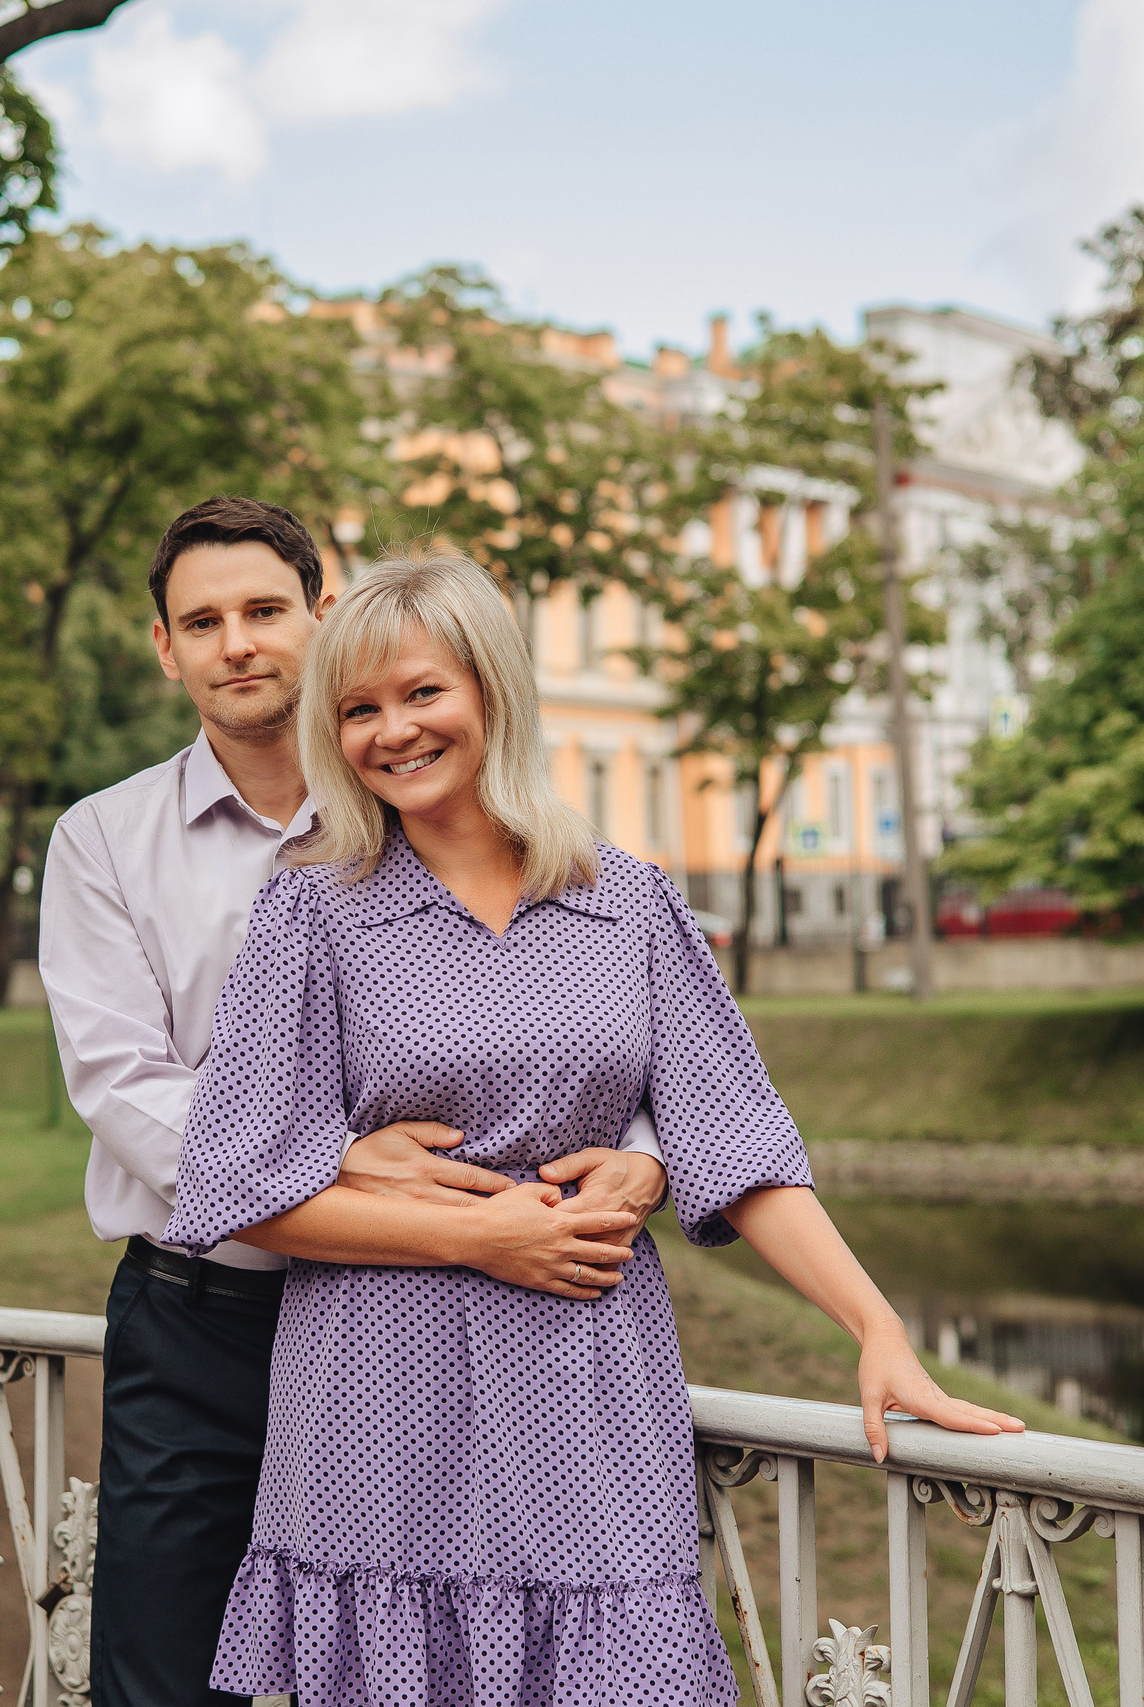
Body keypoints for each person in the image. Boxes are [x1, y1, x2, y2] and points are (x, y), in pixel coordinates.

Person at [164, 549, 1024, 1707]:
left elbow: (741, 1144)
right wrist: (479, 1239)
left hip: (588, 1378)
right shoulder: (315, 904)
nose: (391, 732)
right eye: (358, 709)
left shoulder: (627, 899)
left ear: (492, 691)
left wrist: (874, 1328)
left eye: (422, 693)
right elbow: (235, 1184)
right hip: (375, 1386)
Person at [38, 499, 671, 1707]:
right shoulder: (105, 841)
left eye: (266, 611)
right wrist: (334, 1162)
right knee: (162, 1678)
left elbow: (587, 1015)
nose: (238, 644)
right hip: (205, 1320)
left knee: (425, 1668)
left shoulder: (436, 802)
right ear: (163, 649)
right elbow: (122, 1088)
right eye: (202, 622)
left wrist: (645, 1153)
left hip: (425, 1324)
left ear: (323, 618)